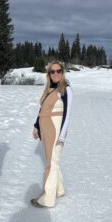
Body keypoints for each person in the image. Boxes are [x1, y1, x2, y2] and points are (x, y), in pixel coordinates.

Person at [31, 61, 73, 208]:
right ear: (48, 74)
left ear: (62, 72)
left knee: (51, 164)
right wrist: (36, 126)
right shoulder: (49, 88)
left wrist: (62, 137)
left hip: (56, 130)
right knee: (53, 160)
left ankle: (48, 199)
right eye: (52, 71)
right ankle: (59, 190)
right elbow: (42, 110)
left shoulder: (66, 89)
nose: (56, 74)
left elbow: (67, 115)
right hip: (45, 128)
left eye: (58, 71)